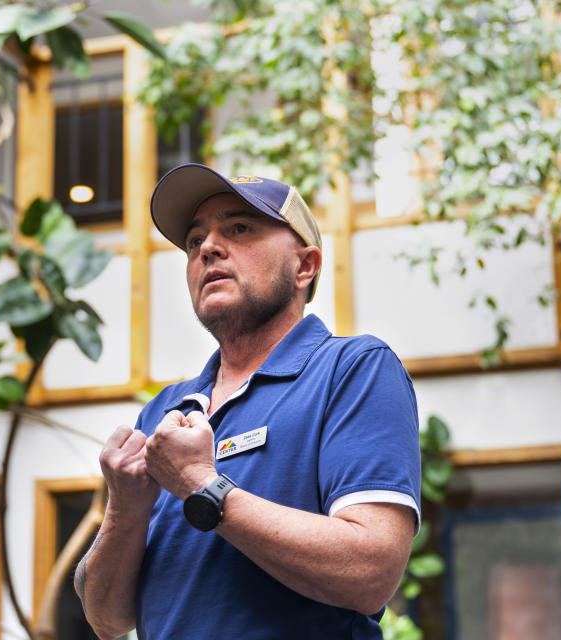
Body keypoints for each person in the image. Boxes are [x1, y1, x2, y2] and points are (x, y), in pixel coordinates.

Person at [73, 163, 421, 640]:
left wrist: (201, 485)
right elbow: (108, 620)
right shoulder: (166, 411)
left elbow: (370, 573)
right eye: (195, 242)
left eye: (239, 228)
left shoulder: (353, 369)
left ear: (305, 266)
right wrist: (126, 508)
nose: (208, 248)